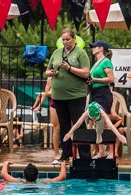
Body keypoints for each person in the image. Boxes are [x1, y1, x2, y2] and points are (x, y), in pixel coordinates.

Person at [46, 28, 91, 162]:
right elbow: (47, 71)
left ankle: (84, 157)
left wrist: (69, 68)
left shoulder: (81, 53)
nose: (65, 42)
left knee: (79, 124)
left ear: (74, 39)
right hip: (59, 96)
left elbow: (86, 73)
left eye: (68, 39)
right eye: (63, 39)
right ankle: (66, 155)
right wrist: (52, 73)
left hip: (76, 95)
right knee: (64, 125)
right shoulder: (56, 53)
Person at [88, 40, 115, 158]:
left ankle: (111, 151)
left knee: (105, 123)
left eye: (94, 47)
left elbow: (111, 79)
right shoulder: (96, 62)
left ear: (101, 48)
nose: (92, 48)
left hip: (103, 93)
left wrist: (95, 79)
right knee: (95, 122)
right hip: (94, 92)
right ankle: (102, 151)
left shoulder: (106, 61)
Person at [32, 78, 61, 164]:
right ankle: (57, 155)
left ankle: (68, 154)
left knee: (67, 128)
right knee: (57, 128)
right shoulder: (51, 78)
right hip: (55, 102)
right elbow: (46, 92)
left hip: (68, 102)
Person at [0, 160, 67, 183]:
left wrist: (6, 163)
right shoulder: (43, 182)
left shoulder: (19, 182)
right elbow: (62, 177)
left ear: (24, 175)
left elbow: (3, 174)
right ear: (37, 176)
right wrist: (63, 165)